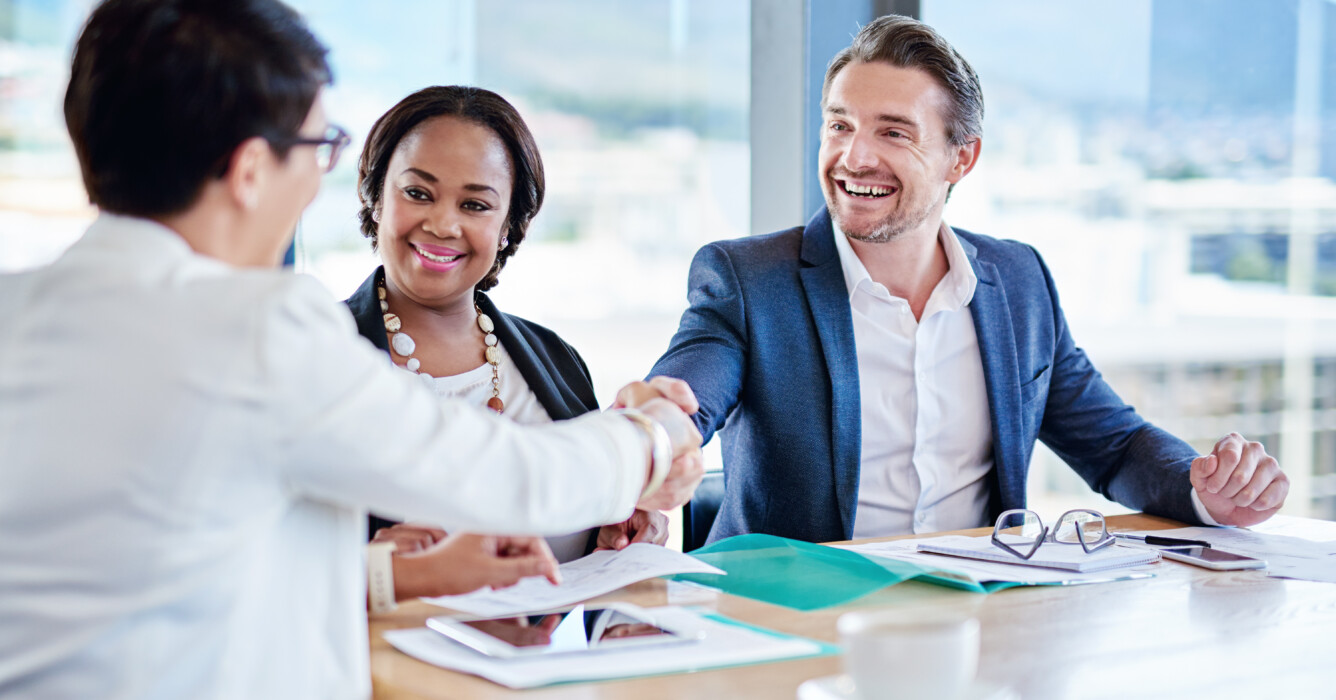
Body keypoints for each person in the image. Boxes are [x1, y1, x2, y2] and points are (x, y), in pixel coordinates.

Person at [0, 1, 702, 698]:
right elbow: (514, 476)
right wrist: (657, 433)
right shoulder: (258, 331)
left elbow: (170, 565)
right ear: (250, 171)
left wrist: (390, 573)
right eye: (317, 146)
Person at [648, 15, 1288, 546]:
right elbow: (685, 398)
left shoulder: (1019, 281)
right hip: (799, 625)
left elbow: (1114, 446)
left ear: (963, 157)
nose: (854, 157)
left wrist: (1206, 490)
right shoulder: (748, 278)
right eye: (840, 125)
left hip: (980, 624)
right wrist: (654, 429)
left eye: (893, 132)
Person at [342, 86, 670, 594]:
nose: (443, 223)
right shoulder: (322, 355)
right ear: (375, 197)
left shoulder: (555, 358)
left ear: (507, 227)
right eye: (417, 193)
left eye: (475, 204)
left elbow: (587, 547)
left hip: (545, 667)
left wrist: (618, 527)